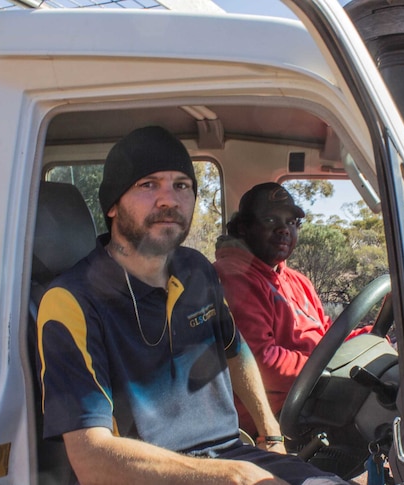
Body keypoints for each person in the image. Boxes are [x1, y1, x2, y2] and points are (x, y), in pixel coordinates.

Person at [36, 126, 346, 484]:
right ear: (112, 204)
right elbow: (92, 459)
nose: (169, 200)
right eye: (148, 184)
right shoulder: (71, 300)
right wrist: (233, 477)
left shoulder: (196, 268)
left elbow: (236, 350)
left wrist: (271, 435)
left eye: (181, 185)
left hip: (231, 454)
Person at [213, 183, 371, 434]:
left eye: (291, 222)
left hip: (309, 393)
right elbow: (261, 364)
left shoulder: (297, 281)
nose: (284, 229)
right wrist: (323, 367)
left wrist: (375, 337)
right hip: (273, 417)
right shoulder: (234, 276)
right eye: (270, 219)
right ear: (244, 228)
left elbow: (329, 338)